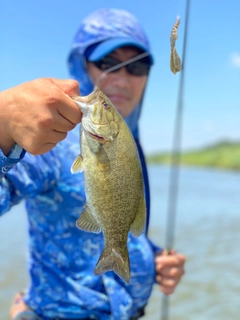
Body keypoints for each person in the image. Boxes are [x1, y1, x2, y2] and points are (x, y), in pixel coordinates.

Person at [0, 8, 185, 320]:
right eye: (109, 63)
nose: (123, 79)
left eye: (137, 66)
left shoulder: (128, 142)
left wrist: (151, 259)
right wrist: (1, 129)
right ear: (81, 65)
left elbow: (120, 214)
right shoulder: (47, 144)